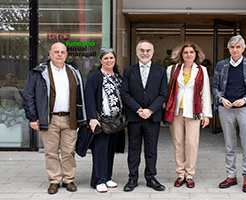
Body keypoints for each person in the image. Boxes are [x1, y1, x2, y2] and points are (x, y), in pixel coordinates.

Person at [22, 42, 87, 194]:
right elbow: (28, 96)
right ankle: (54, 180)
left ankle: (68, 179)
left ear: (66, 54)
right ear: (50, 54)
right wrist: (32, 118)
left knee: (69, 151)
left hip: (69, 118)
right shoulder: (38, 72)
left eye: (62, 52)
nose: (59, 54)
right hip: (49, 118)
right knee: (50, 152)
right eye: (56, 51)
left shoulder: (73, 71)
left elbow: (80, 95)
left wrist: (81, 117)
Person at [211, 35, 246, 193]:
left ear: (243, 48)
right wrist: (220, 98)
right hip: (225, 109)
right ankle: (231, 176)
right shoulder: (221, 65)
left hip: (245, 109)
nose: (235, 50)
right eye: (232, 47)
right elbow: (214, 86)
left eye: (238, 47)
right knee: (229, 144)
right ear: (229, 48)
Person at [120, 40, 167, 192]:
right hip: (134, 117)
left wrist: (150, 110)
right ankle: (132, 178)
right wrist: (139, 109)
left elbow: (163, 94)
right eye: (142, 50)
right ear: (136, 52)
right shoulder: (129, 71)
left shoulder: (160, 71)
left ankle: (151, 178)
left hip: (152, 117)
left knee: (151, 149)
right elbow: (124, 93)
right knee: (133, 149)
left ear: (152, 53)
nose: (145, 53)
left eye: (148, 50)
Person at [164, 42, 212, 188]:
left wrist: (206, 115)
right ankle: (180, 174)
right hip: (176, 111)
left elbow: (205, 93)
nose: (189, 55)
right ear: (181, 55)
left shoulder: (201, 70)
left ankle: (189, 175)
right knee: (178, 142)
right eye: (186, 52)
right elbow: (166, 91)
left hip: (194, 112)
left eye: (192, 52)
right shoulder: (172, 69)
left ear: (196, 54)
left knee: (192, 143)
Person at [82, 48, 126, 193]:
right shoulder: (95, 76)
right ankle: (98, 180)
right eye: (106, 58)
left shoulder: (118, 77)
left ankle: (107, 177)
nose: (109, 61)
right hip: (101, 121)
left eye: (111, 58)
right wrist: (92, 118)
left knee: (110, 151)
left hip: (115, 122)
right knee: (100, 151)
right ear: (100, 60)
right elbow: (88, 98)